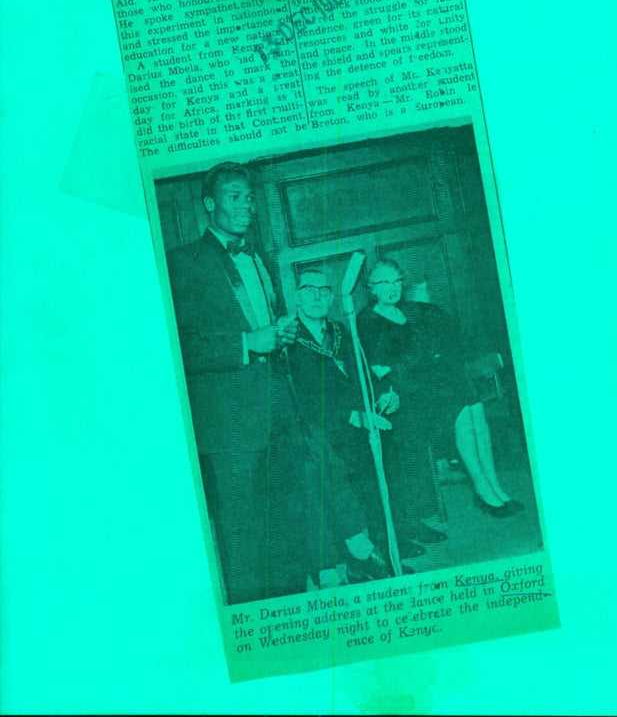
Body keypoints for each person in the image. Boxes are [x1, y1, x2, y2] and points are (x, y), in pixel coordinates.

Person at [166, 161, 306, 604]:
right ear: (210, 204)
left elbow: (263, 325)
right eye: (234, 197)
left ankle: (290, 608)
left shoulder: (258, 259)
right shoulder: (182, 262)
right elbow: (174, 348)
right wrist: (246, 342)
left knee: (284, 513)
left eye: (249, 197)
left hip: (277, 410)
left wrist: (279, 332)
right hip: (228, 425)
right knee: (241, 528)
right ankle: (253, 623)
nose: (246, 206)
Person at [357, 259, 523, 535]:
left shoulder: (410, 311)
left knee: (473, 404)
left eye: (397, 281)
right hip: (405, 393)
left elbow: (440, 336)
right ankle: (483, 490)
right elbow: (380, 369)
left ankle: (495, 485)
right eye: (384, 282)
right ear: (371, 288)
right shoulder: (368, 320)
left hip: (431, 382)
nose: (392, 288)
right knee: (460, 403)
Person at [283, 267, 407, 583]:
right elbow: (304, 398)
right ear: (296, 296)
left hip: (357, 426)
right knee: (326, 463)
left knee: (381, 460)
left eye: (324, 290)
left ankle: (377, 544)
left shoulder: (340, 331)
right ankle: (359, 551)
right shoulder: (288, 340)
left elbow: (363, 372)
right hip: (319, 429)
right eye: (309, 289)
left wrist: (383, 394)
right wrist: (354, 417)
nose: (317, 296)